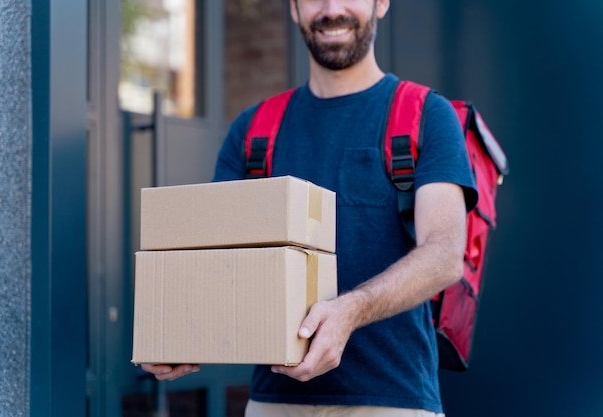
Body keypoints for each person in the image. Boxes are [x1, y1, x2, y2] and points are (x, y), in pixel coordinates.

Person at [142, 0, 478, 415]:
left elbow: (444, 255)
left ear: (381, 3)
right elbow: (218, 265)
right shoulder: (253, 130)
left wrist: (350, 310)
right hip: (274, 402)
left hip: (392, 400)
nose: (331, 9)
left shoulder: (424, 114)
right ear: (294, 9)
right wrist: (181, 335)